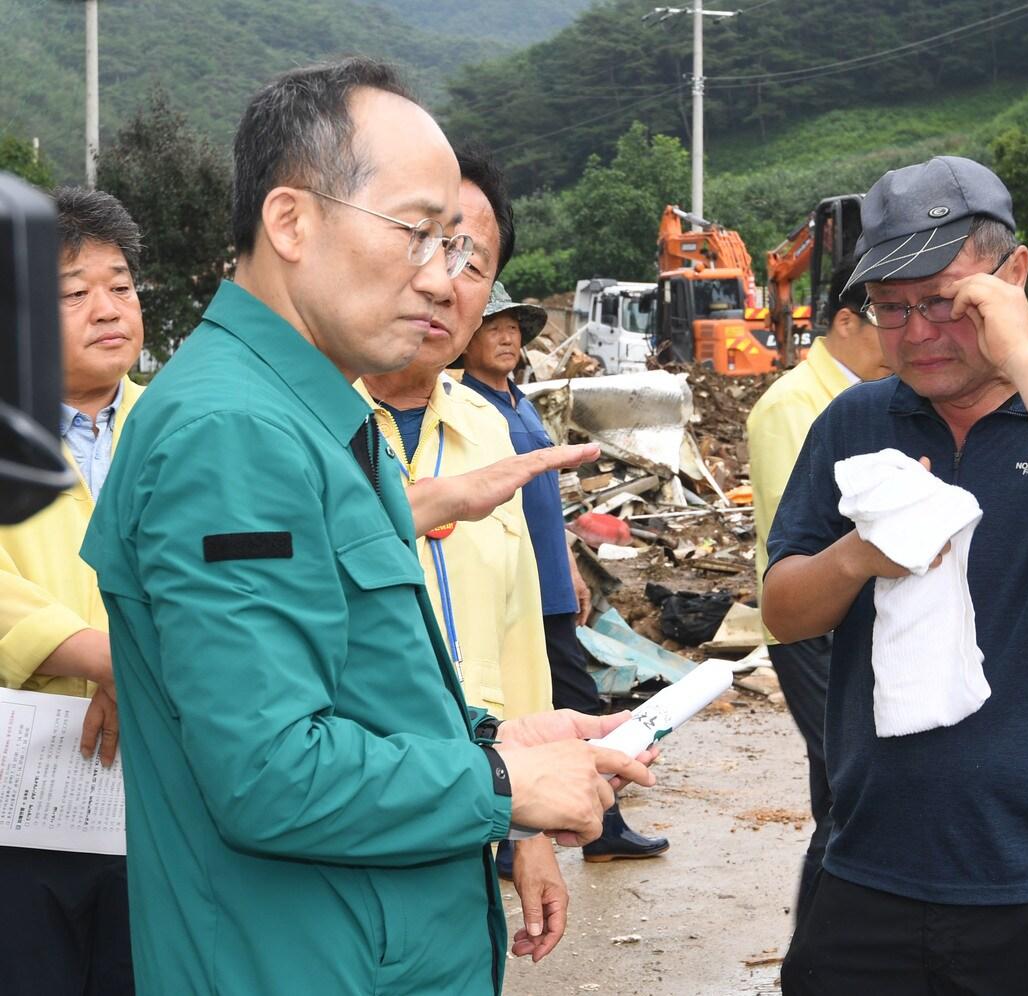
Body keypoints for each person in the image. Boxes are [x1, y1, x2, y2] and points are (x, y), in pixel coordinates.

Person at [78, 58, 655, 996]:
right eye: (419, 235)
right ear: (291, 221)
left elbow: (348, 688)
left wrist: (496, 740)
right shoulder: (235, 434)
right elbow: (267, 773)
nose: (444, 280)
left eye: (460, 251)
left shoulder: (309, 413)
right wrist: (501, 785)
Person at [765, 155, 1028, 996]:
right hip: (872, 863)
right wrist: (860, 556)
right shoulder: (855, 421)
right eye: (890, 309)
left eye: (947, 304)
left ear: (1013, 276)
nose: (918, 333)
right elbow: (784, 611)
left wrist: (1026, 362)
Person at [360, 144, 572, 963]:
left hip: (474, 811)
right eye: (426, 245)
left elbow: (520, 643)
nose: (446, 283)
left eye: (473, 262)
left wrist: (533, 831)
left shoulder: (489, 432)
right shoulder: (293, 428)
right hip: (342, 820)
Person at [460, 285, 671, 865]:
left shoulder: (517, 400)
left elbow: (547, 503)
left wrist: (575, 568)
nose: (506, 337)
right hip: (515, 585)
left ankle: (581, 826)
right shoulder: (465, 407)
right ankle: (560, 830)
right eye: (490, 327)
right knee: (536, 707)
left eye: (513, 328)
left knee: (554, 703)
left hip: (550, 579)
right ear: (464, 338)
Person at [0, 186, 143, 996]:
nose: (107, 308)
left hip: (159, 792)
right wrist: (98, 653)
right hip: (19, 796)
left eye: (120, 286)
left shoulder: (184, 428)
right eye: (74, 291)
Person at [745, 263, 889, 924]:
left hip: (863, 618)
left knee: (839, 782)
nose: (900, 336)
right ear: (846, 321)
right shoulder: (792, 405)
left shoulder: (876, 396)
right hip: (811, 628)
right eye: (887, 318)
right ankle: (821, 950)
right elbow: (791, 539)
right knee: (850, 783)